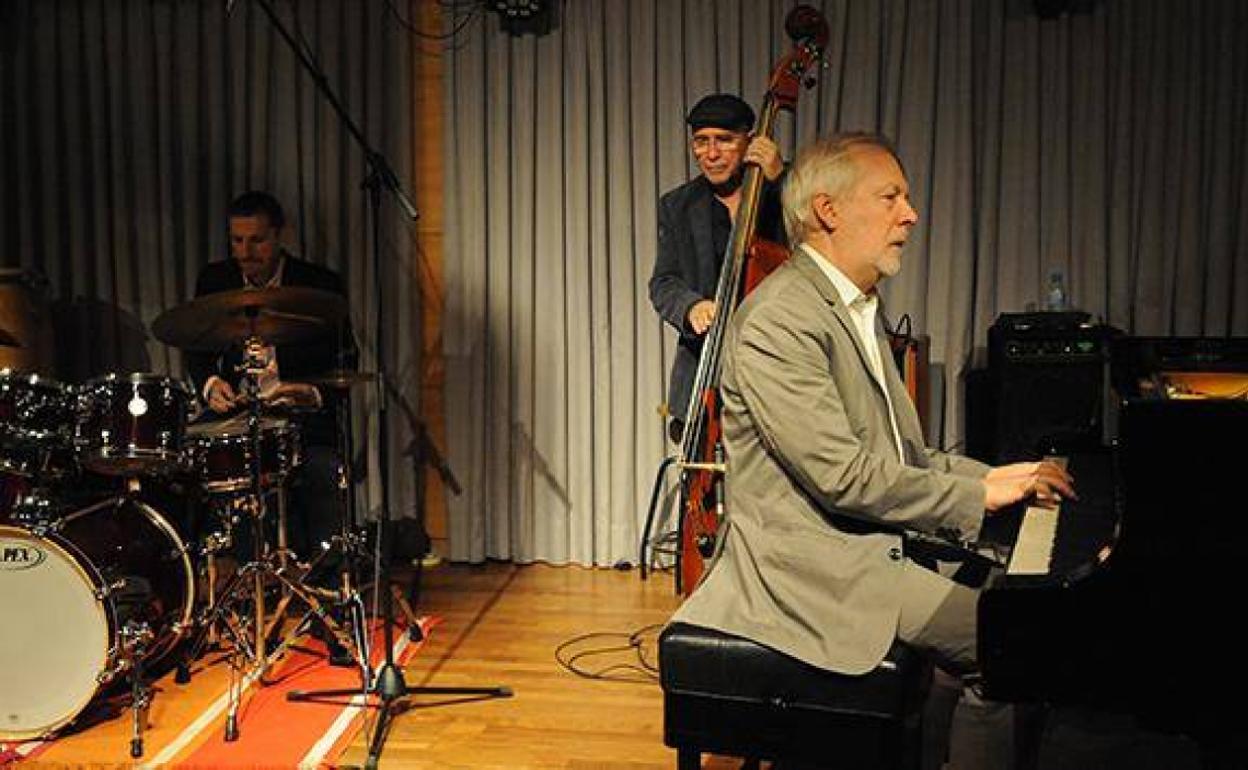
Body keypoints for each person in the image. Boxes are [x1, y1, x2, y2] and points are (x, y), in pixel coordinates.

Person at [670, 133, 1075, 767]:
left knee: (1008, 599)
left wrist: (1000, 476)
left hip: (866, 545)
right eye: (891, 198)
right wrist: (978, 496)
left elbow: (904, 457)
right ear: (827, 211)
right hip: (812, 571)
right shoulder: (780, 320)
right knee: (1011, 649)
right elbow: (843, 477)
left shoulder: (853, 307)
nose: (910, 214)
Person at [185, 190, 357, 661]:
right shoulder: (216, 280)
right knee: (194, 461)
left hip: (303, 416)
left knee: (323, 473)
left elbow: (346, 362)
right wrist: (210, 384)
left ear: (279, 236)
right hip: (241, 415)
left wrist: (306, 391)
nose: (246, 252)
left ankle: (332, 602)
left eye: (257, 241)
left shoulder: (318, 286)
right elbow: (195, 349)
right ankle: (240, 591)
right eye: (237, 241)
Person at [649, 93, 787, 443]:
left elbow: (815, 251)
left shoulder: (787, 190)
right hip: (703, 379)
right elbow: (663, 282)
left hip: (774, 372)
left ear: (750, 142)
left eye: (724, 140)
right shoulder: (677, 205)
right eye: (701, 141)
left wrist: (781, 183)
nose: (711, 154)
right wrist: (690, 306)